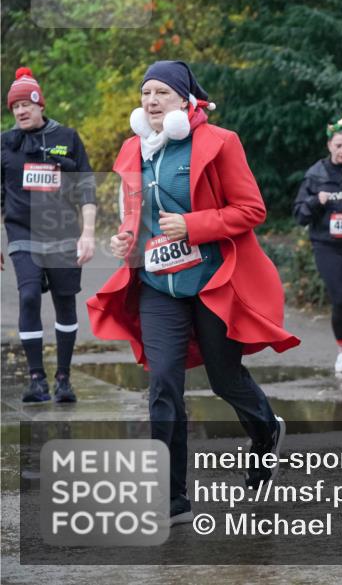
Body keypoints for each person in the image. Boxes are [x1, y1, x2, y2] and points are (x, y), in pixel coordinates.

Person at [86, 60, 299, 525]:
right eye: (146, 94)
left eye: (162, 92)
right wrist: (125, 238)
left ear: (185, 100)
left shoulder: (220, 142)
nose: (151, 101)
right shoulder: (132, 150)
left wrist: (194, 225)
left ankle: (265, 433)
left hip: (211, 282)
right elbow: (134, 214)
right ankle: (172, 497)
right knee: (163, 381)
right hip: (158, 285)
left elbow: (251, 209)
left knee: (225, 379)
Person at [2, 67, 96, 403]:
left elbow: (86, 187)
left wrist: (87, 233)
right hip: (22, 233)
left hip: (62, 233)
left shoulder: (67, 138)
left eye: (26, 104)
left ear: (40, 103)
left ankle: (63, 379)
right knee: (28, 297)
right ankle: (36, 379)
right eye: (15, 107)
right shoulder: (6, 144)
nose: (21, 111)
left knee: (64, 303)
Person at [293, 119, 342, 373]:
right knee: (340, 298)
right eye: (338, 145)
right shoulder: (316, 175)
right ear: (329, 145)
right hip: (327, 245)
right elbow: (300, 215)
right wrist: (317, 201)